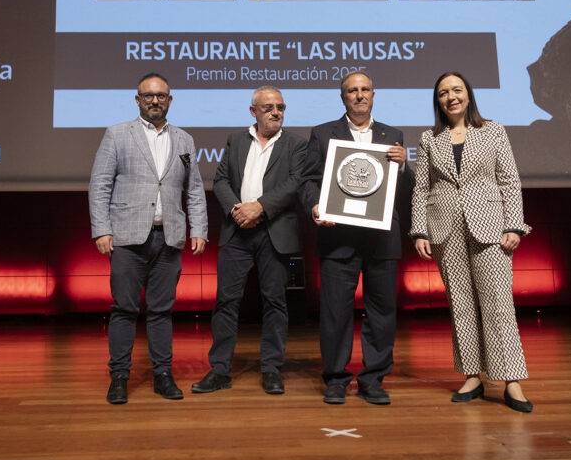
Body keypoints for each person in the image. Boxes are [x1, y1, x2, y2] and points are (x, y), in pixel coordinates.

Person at [409, 71, 533, 413]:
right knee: (460, 305)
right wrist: (419, 230)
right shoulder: (430, 138)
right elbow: (422, 188)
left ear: (468, 95)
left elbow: (509, 181)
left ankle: (511, 381)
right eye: (443, 93)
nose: (451, 97)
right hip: (445, 228)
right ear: (437, 101)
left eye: (457, 90)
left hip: (491, 227)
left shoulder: (493, 131)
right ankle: (472, 376)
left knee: (498, 305)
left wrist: (514, 225)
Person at [89, 73, 208, 405]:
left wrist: (198, 229)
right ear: (137, 99)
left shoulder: (184, 139)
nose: (155, 101)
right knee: (124, 309)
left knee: (161, 311)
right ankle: (119, 377)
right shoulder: (116, 134)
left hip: (168, 238)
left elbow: (194, 189)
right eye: (148, 96)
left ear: (170, 100)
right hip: (127, 238)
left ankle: (163, 375)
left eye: (161, 96)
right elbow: (100, 185)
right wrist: (102, 229)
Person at [299, 71, 411, 405]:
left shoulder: (393, 135)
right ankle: (336, 379)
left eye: (364, 90)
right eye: (352, 90)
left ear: (373, 95)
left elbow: (402, 190)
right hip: (338, 239)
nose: (359, 95)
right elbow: (306, 181)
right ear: (343, 97)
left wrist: (405, 166)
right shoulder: (322, 134)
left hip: (381, 239)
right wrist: (316, 205)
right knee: (334, 313)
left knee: (381, 312)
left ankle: (373, 379)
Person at [192, 86, 306, 396]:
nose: (276, 112)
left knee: (275, 302)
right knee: (226, 301)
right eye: (268, 107)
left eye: (280, 107)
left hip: (275, 232)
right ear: (253, 111)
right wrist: (237, 210)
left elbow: (295, 184)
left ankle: (271, 369)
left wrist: (261, 207)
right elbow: (221, 180)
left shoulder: (296, 145)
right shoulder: (236, 139)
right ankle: (219, 370)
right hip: (237, 231)